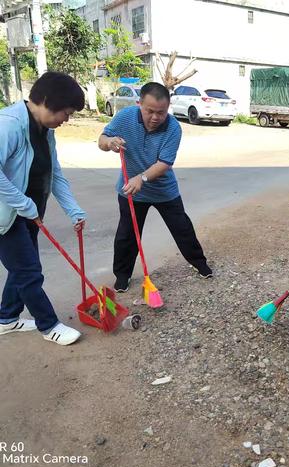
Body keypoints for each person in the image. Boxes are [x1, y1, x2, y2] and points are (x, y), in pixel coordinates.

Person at [98, 82, 212, 292]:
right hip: (130, 191)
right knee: (127, 234)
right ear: (139, 103)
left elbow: (164, 164)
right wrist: (110, 142)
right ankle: (122, 276)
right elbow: (102, 139)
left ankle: (200, 263)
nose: (155, 117)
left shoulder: (173, 128)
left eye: (161, 112)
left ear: (168, 108)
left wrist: (141, 178)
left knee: (182, 228)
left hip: (164, 191)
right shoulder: (125, 117)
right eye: (149, 111)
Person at [0, 72, 87, 346]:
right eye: (66, 112)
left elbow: (54, 172)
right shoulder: (9, 126)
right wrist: (25, 204)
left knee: (21, 269)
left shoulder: (45, 131)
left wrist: (73, 210)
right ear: (47, 100)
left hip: (27, 213)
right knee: (28, 272)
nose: (66, 119)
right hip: (6, 216)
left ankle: (7, 318)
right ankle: (48, 325)